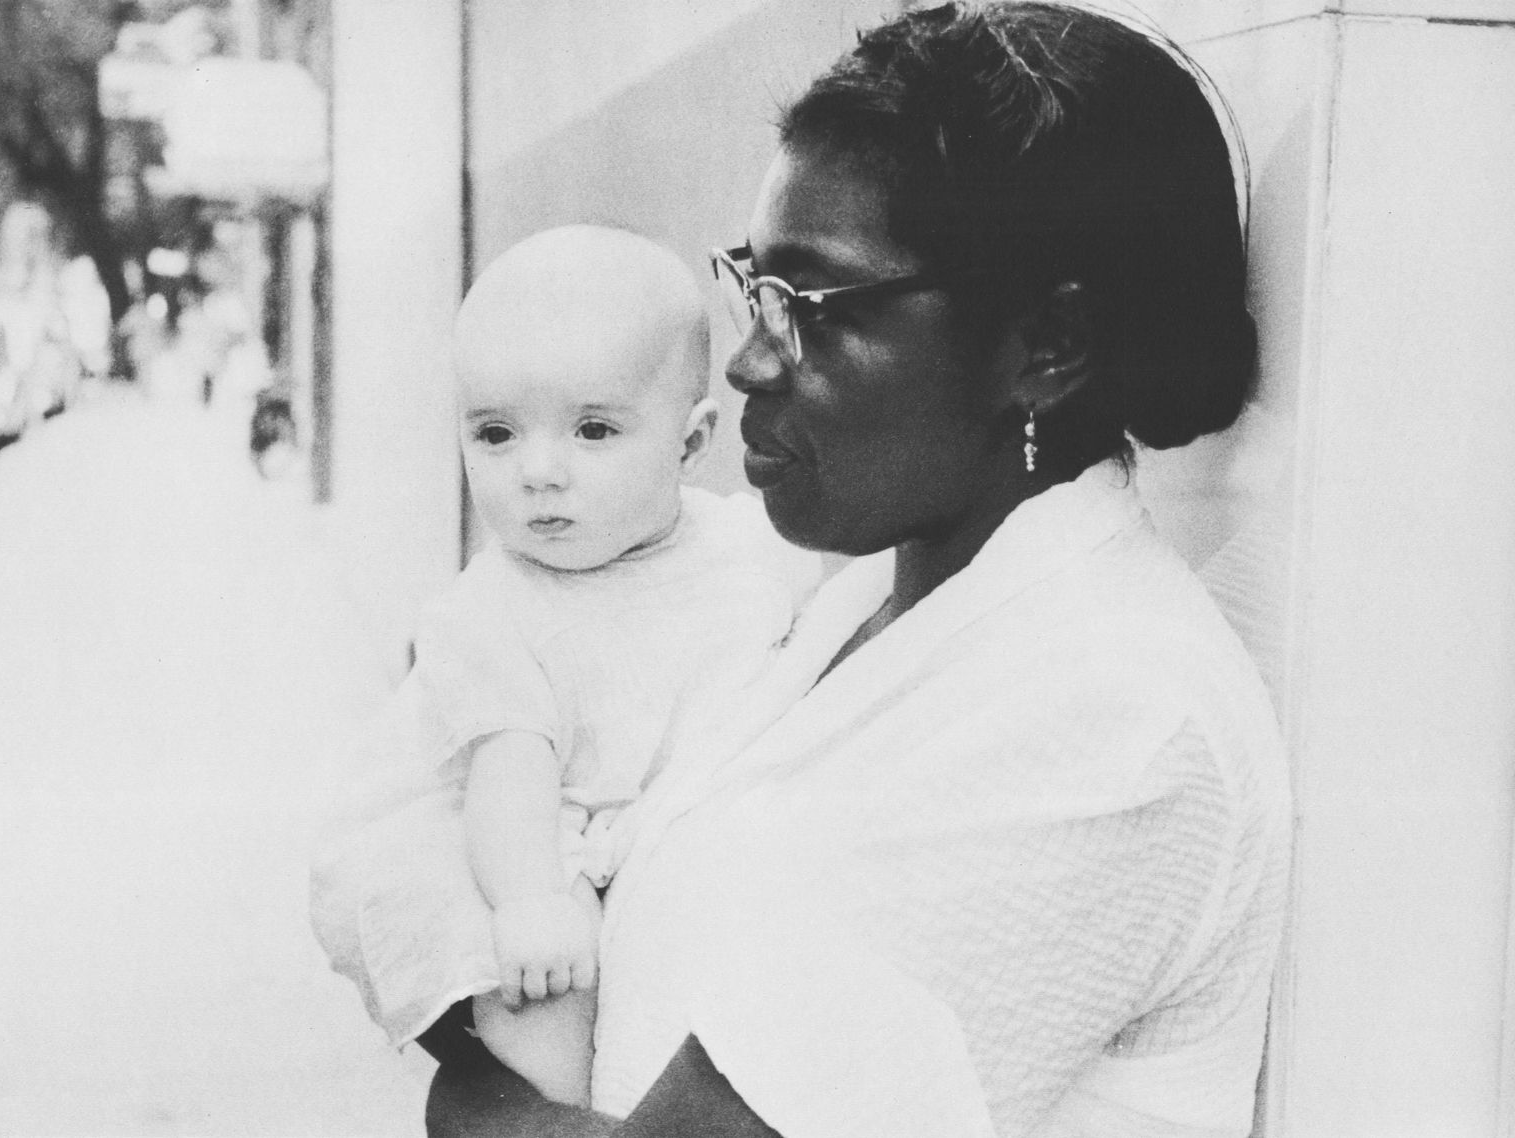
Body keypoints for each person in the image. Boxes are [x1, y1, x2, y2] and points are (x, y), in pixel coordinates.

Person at [316, 5, 1292, 1136]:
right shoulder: (847, 611)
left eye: (810, 307)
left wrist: (479, 1093)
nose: (745, 360)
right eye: (750, 286)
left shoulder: (1120, 723)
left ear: (1044, 350)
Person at [310, 225, 819, 1108]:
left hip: (672, 834)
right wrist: (528, 901)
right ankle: (565, 1112)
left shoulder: (744, 551)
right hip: (539, 847)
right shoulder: (495, 611)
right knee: (548, 990)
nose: (538, 472)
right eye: (497, 434)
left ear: (692, 443)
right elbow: (511, 770)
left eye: (593, 431)